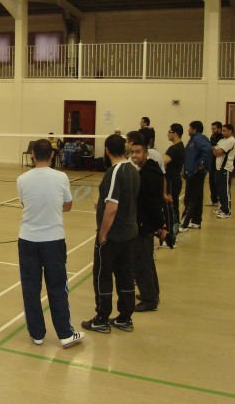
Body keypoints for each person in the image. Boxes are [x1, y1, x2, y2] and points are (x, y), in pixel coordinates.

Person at [17, 139, 85, 348]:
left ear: (32, 155)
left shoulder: (22, 179)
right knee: (57, 287)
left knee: (31, 287)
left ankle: (36, 334)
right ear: (52, 156)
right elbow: (68, 205)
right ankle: (65, 333)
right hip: (53, 241)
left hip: (27, 240)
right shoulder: (61, 177)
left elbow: (23, 203)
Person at [81, 134, 139, 334]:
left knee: (102, 275)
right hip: (130, 234)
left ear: (107, 150)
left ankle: (102, 318)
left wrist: (102, 234)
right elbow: (123, 200)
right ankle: (125, 317)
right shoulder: (133, 170)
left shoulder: (115, 172)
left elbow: (113, 207)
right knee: (125, 275)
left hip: (114, 235)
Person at [129, 133, 164, 312]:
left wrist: (158, 226)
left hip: (144, 224)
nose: (134, 155)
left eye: (138, 152)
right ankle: (152, 292)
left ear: (146, 153)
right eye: (132, 152)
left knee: (141, 262)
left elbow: (151, 202)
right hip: (145, 223)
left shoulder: (149, 173)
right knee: (147, 261)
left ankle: (149, 299)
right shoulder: (146, 170)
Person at [180, 120, 211, 232]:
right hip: (191, 172)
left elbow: (207, 150)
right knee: (197, 197)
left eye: (189, 128)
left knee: (190, 198)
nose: (188, 130)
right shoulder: (193, 140)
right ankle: (196, 221)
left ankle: (185, 222)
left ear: (194, 129)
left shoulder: (199, 139)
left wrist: (202, 164)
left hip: (196, 173)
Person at [213, 124, 235, 219]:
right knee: (219, 190)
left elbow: (218, 152)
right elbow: (215, 150)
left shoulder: (231, 140)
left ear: (230, 131)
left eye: (225, 131)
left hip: (225, 169)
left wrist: (215, 150)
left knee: (225, 191)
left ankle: (227, 211)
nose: (223, 132)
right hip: (218, 168)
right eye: (222, 131)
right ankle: (222, 208)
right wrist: (215, 149)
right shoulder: (222, 140)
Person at [163, 123, 185, 226]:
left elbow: (163, 162)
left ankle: (174, 224)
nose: (168, 134)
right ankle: (174, 223)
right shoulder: (179, 146)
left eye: (169, 132)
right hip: (175, 178)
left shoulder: (175, 149)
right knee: (173, 203)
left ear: (175, 133)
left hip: (172, 180)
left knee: (171, 203)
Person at [208, 121, 223, 206]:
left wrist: (212, 147)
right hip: (212, 161)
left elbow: (218, 148)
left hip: (219, 162)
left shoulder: (222, 138)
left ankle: (220, 199)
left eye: (214, 129)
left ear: (219, 129)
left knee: (218, 181)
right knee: (211, 181)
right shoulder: (212, 136)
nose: (212, 130)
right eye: (212, 129)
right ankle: (214, 200)